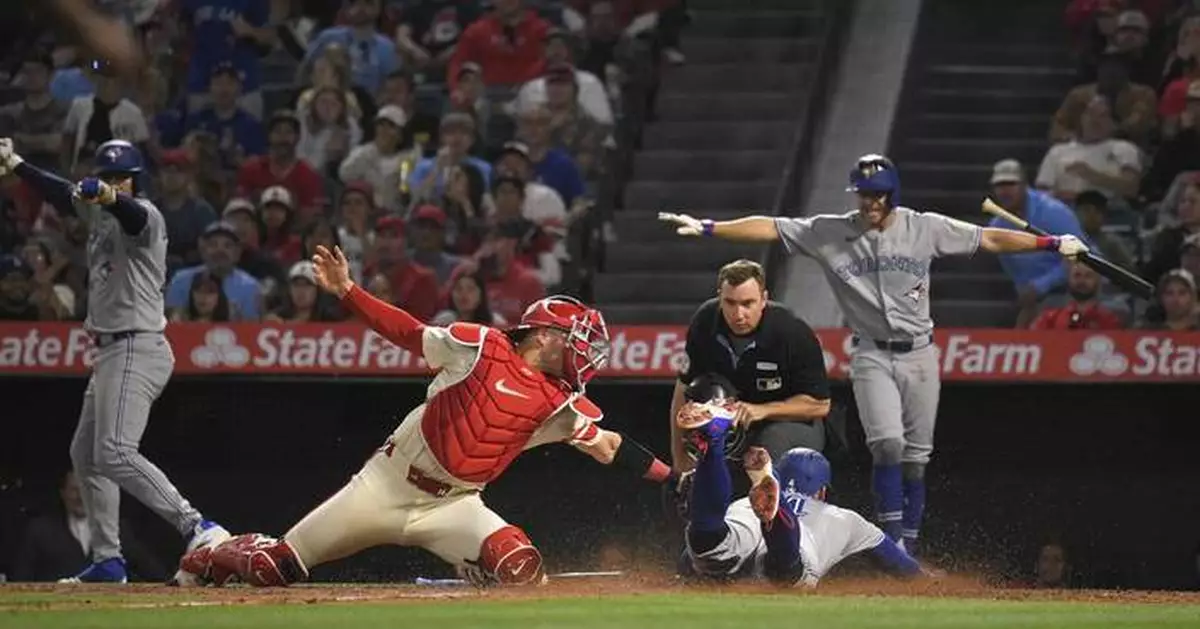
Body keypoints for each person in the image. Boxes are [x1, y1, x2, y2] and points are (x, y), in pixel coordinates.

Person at [659, 154, 1090, 557]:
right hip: (870, 353)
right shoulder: (832, 230)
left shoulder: (925, 227)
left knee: (917, 458)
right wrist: (712, 228)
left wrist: (1051, 244)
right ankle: (893, 542)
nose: (870, 203)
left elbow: (991, 238)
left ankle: (907, 547)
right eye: (864, 194)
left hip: (920, 353)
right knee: (887, 445)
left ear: (893, 194)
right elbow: (771, 226)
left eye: (878, 194)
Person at [173, 245, 677, 588]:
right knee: (272, 568)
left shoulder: (558, 400)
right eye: (577, 340)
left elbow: (608, 446)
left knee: (520, 566)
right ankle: (217, 549)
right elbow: (408, 332)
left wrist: (673, 478)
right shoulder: (480, 347)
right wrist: (348, 291)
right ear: (543, 336)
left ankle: (474, 565)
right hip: (385, 485)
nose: (586, 353)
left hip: (454, 504)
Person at [0, 138, 230, 583]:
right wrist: (17, 164)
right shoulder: (97, 212)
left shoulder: (146, 215)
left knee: (115, 451)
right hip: (110, 350)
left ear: (134, 179)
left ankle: (197, 526)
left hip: (136, 345)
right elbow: (59, 191)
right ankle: (108, 558)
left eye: (119, 177)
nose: (111, 184)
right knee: (85, 454)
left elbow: (133, 213)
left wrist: (109, 195)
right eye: (105, 177)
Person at [673, 376, 927, 586]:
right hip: (796, 547)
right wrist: (925, 579)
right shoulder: (844, 518)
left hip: (743, 522)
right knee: (784, 566)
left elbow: (688, 560)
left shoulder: (743, 503)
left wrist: (693, 566)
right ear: (822, 492)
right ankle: (777, 515)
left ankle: (713, 445)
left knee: (710, 542)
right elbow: (900, 565)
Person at [668, 259, 831, 473]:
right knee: (702, 429)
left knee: (766, 447)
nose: (738, 315)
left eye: (747, 303)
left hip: (791, 424)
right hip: (730, 421)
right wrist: (679, 460)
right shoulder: (704, 322)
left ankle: (774, 504)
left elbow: (820, 405)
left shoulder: (793, 332)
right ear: (719, 298)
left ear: (764, 299)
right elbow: (683, 390)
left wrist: (762, 410)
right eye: (730, 303)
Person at [432, 270, 506, 326]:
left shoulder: (495, 322)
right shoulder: (443, 320)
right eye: (458, 289)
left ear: (481, 294)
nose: (463, 294)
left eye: (470, 289)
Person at [170, 270, 236, 323]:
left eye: (210, 292)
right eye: (198, 291)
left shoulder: (231, 324)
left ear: (219, 297)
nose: (203, 297)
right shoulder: (180, 321)